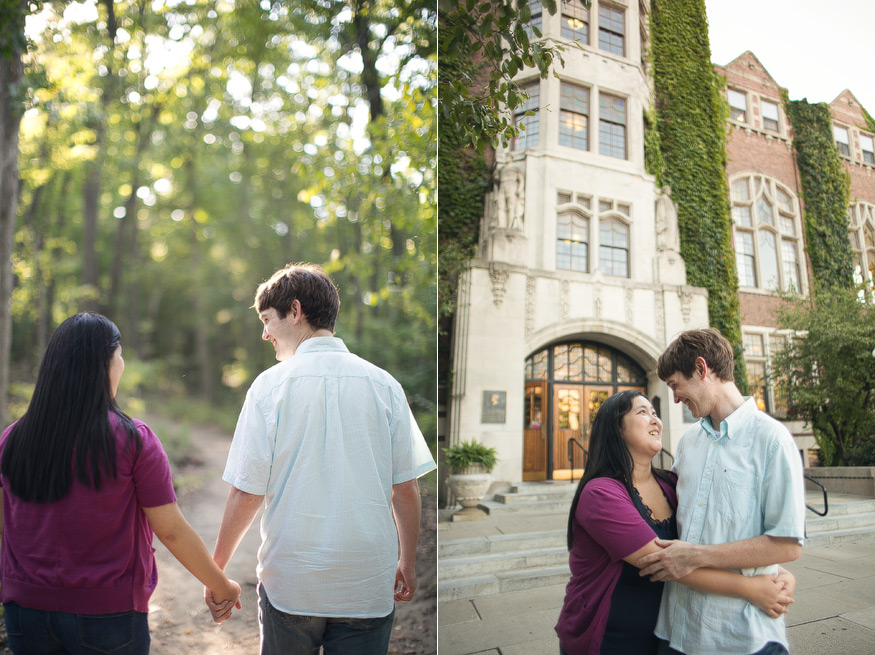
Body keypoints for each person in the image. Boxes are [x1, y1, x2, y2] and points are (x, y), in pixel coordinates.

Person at [204, 263, 436, 655]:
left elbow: (246, 493)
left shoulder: (268, 388)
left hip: (293, 582)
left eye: (267, 320)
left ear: (295, 311)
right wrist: (407, 561)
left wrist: (215, 572)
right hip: (367, 582)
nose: (264, 333)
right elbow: (406, 488)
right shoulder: (385, 385)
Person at [0, 312, 241, 655]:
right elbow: (170, 530)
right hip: (107, 614)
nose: (122, 364)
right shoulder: (134, 440)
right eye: (120, 355)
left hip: (25, 611)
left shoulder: (13, 438)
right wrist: (222, 586)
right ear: (105, 364)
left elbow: (5, 524)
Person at [555, 390, 795, 655]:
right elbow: (667, 562)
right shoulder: (601, 494)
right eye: (642, 412)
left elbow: (707, 534)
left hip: (663, 635)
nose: (655, 420)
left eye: (655, 413)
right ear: (616, 428)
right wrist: (751, 587)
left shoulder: (670, 483)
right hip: (609, 639)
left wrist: (775, 572)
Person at [637, 328, 806, 655]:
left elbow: (786, 543)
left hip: (740, 637)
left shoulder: (772, 440)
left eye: (675, 385)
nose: (674, 399)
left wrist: (696, 557)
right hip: (675, 631)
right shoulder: (688, 442)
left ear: (702, 369)